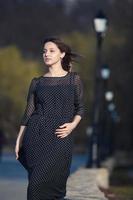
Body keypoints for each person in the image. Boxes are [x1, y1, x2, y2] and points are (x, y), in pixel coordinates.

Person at [15, 37, 84, 200]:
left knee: (52, 184)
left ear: (62, 54)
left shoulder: (74, 79)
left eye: (51, 51)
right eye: (44, 51)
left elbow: (80, 108)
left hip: (61, 136)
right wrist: (19, 140)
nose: (46, 54)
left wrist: (73, 125)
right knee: (35, 185)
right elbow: (28, 113)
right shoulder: (37, 83)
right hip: (36, 136)